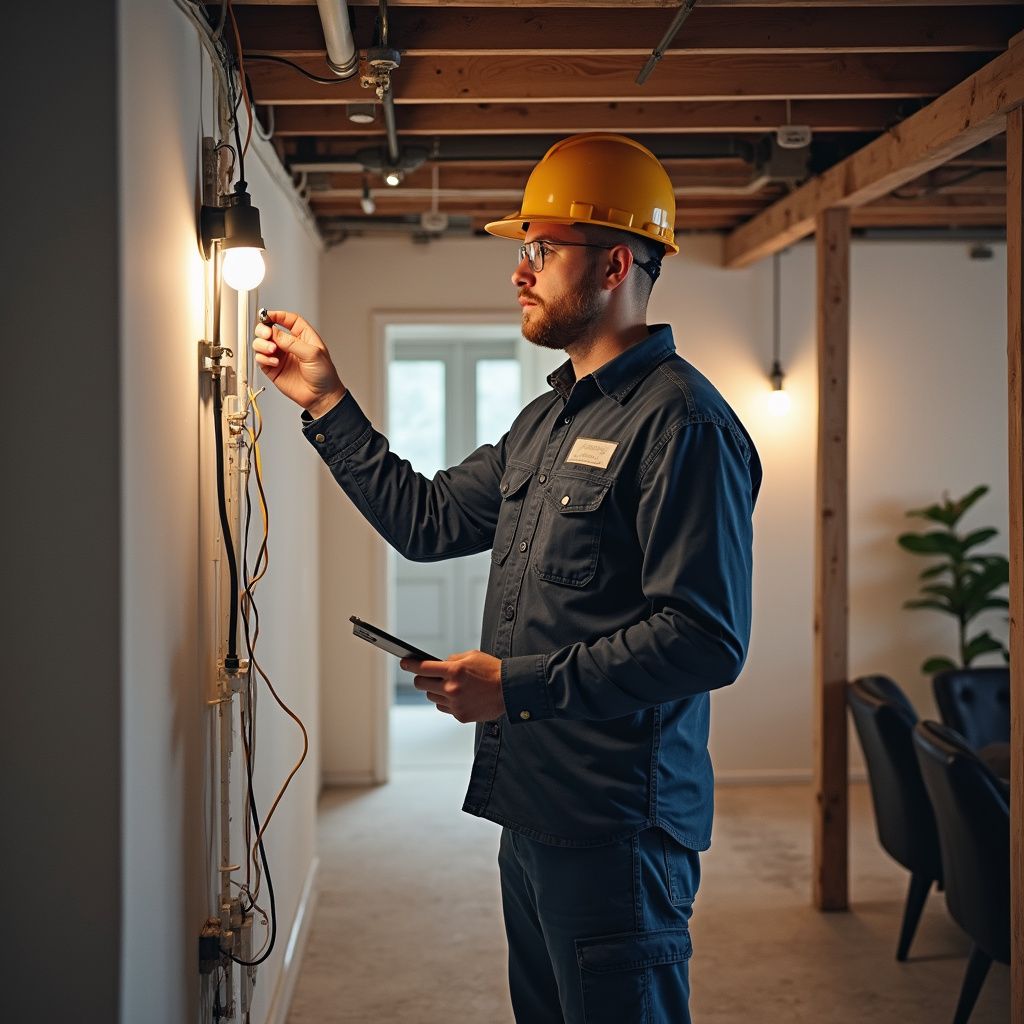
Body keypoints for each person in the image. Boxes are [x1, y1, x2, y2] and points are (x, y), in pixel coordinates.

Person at [253, 133, 762, 1024]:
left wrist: (512, 687)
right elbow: (428, 521)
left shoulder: (683, 423)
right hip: (531, 809)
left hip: (617, 829)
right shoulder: (547, 418)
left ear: (614, 261)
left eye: (542, 249)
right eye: (521, 251)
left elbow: (704, 638)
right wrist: (328, 402)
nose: (519, 271)